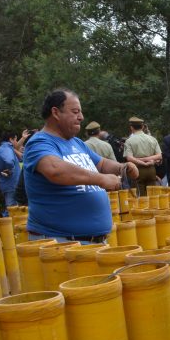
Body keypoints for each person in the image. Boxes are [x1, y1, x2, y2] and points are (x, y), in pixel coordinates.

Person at [24, 88, 139, 244]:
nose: (81, 117)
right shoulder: (39, 143)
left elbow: (102, 163)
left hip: (89, 243)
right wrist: (101, 180)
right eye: (75, 112)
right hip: (61, 244)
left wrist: (122, 167)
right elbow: (55, 170)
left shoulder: (76, 142)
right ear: (56, 113)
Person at [123, 117, 161, 196]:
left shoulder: (129, 141)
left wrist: (142, 162)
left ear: (131, 128)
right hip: (151, 169)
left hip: (137, 170)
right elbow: (159, 156)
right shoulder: (152, 139)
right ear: (143, 127)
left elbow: (129, 158)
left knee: (140, 198)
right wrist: (148, 161)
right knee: (152, 196)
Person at [0, 131, 22, 213]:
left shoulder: (5, 148)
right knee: (12, 210)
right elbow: (10, 161)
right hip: (11, 184)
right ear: (11, 139)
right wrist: (10, 169)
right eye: (16, 140)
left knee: (13, 209)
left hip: (10, 184)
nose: (16, 142)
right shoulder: (6, 148)